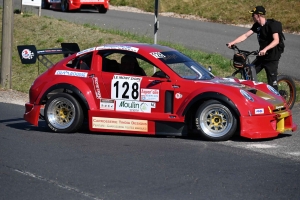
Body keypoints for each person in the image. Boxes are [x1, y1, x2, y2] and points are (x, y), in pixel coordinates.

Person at [227, 6, 283, 91]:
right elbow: (245, 35)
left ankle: (279, 100)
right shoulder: (257, 26)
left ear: (258, 15)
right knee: (249, 73)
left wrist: (265, 49)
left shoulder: (272, 25)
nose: (252, 16)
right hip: (262, 56)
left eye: (253, 15)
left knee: (272, 84)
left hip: (272, 57)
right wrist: (232, 42)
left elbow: (276, 40)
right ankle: (252, 93)